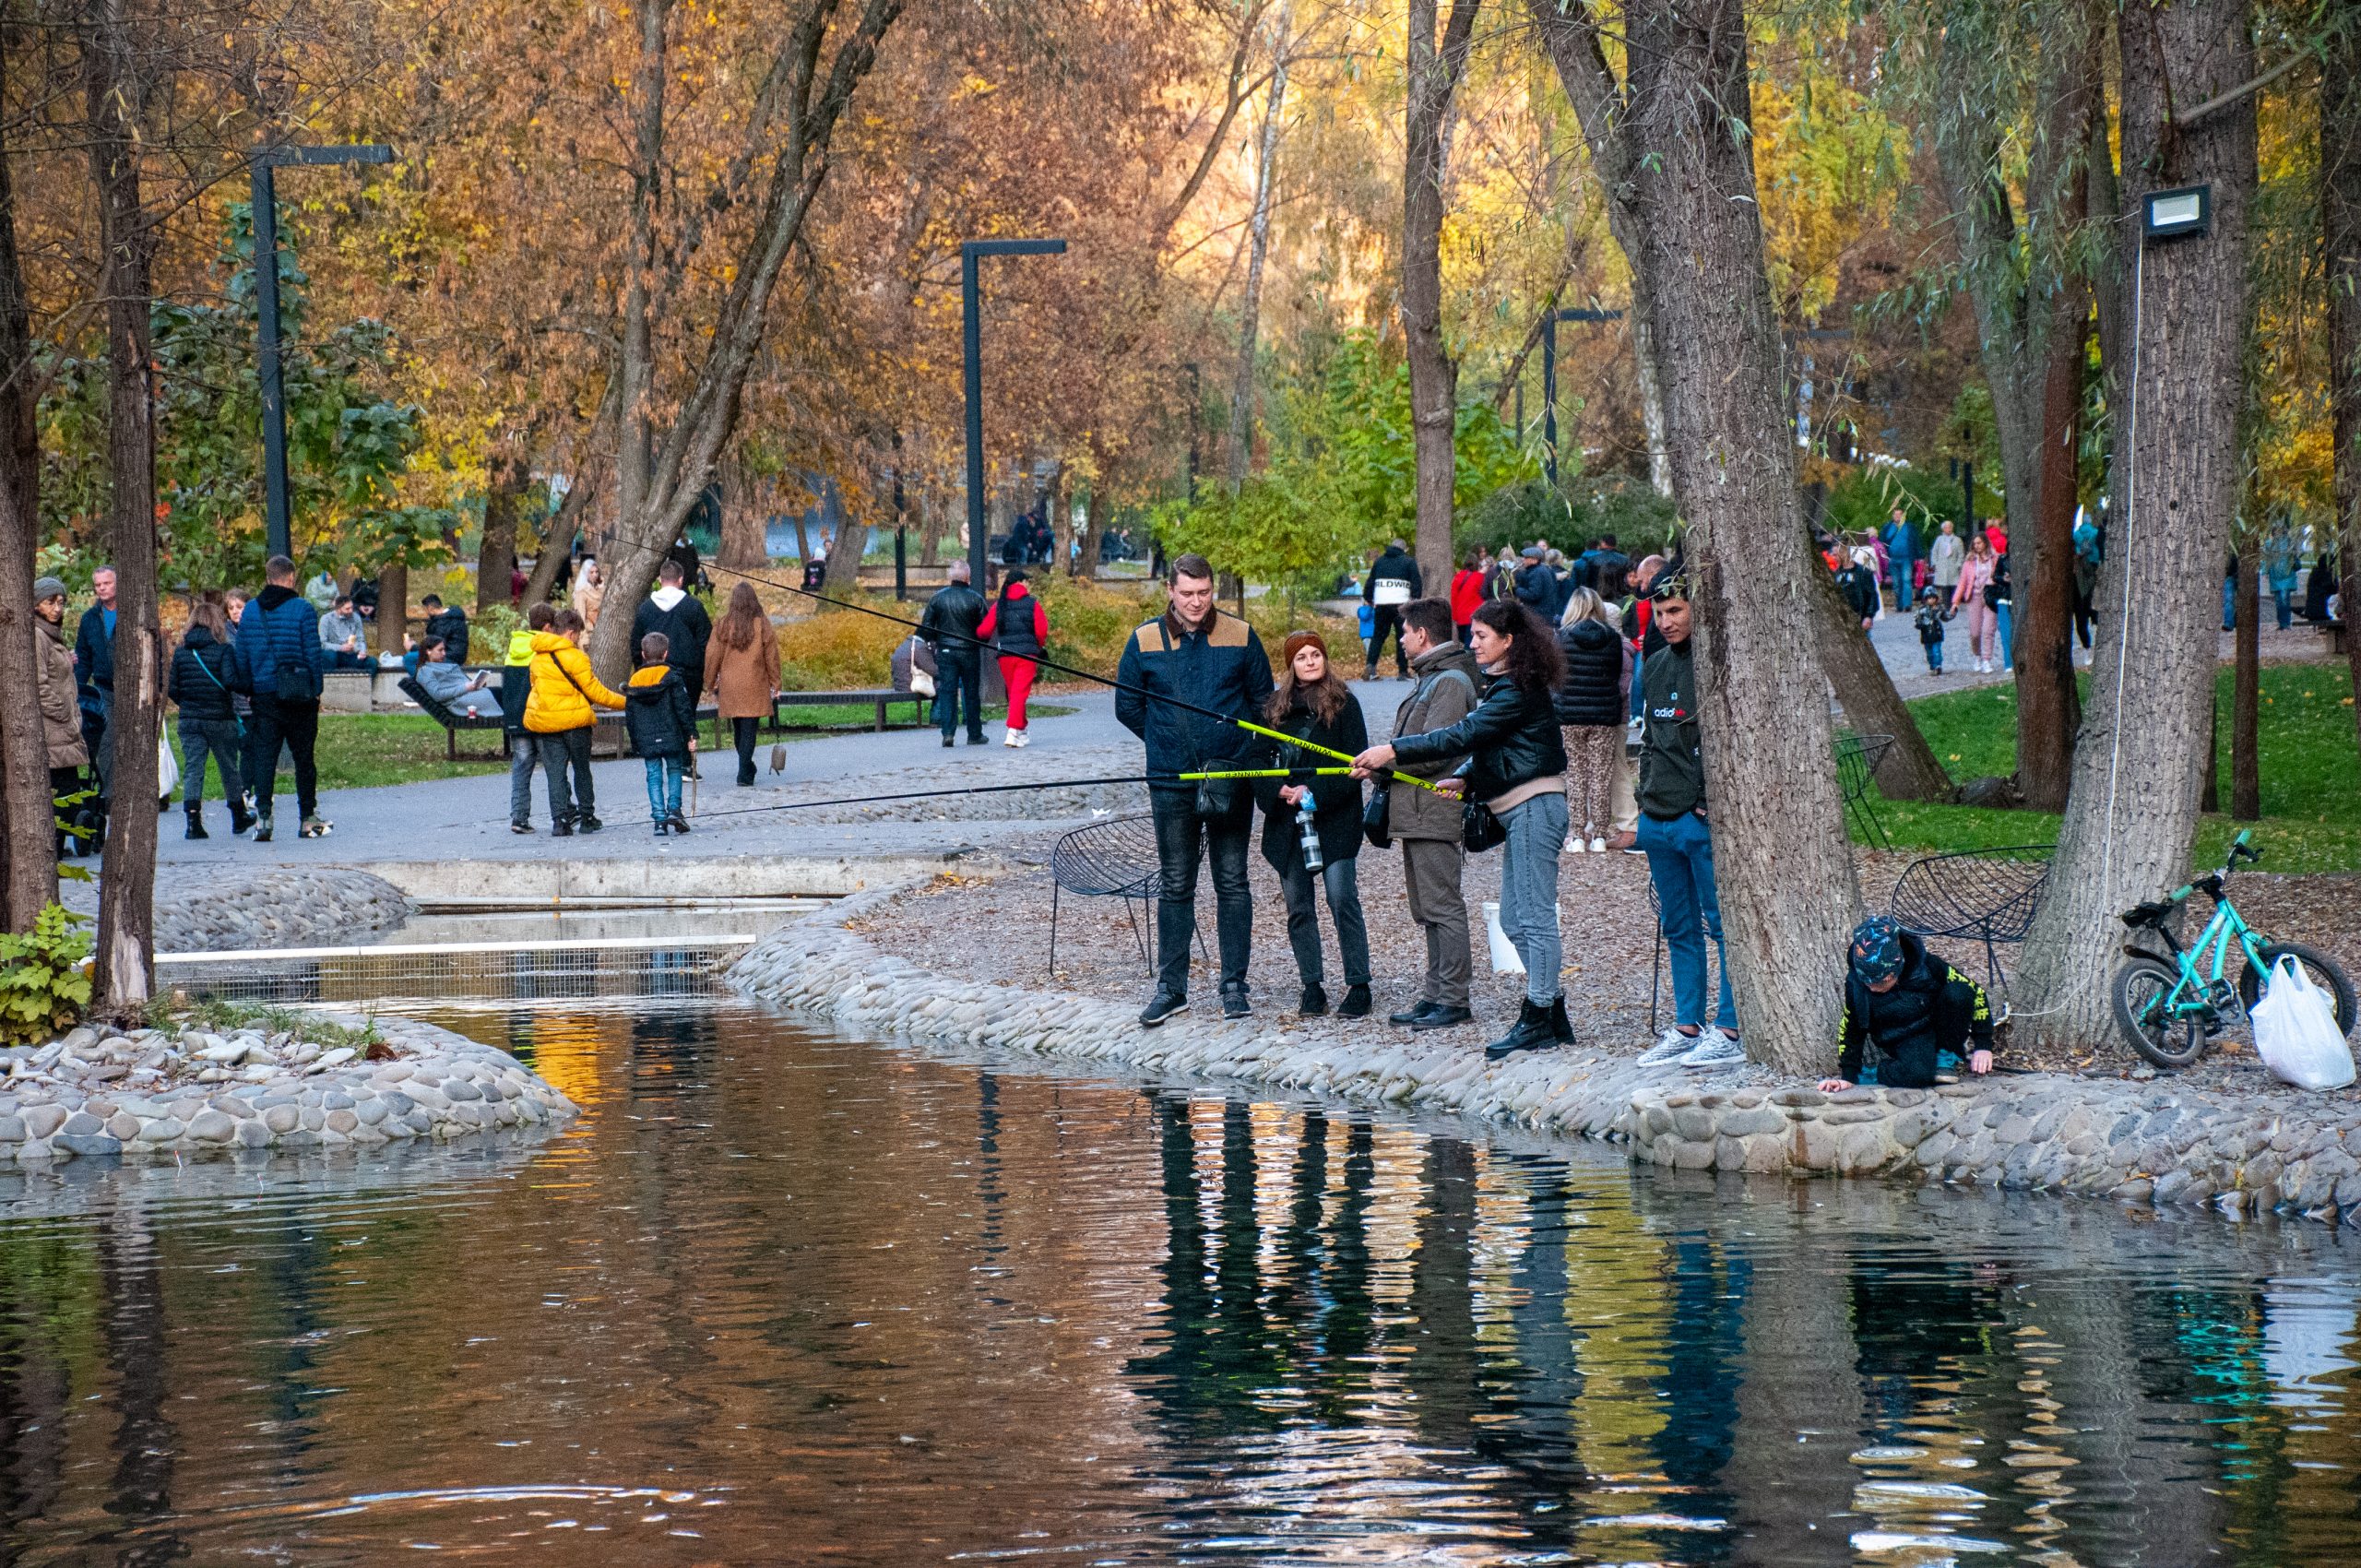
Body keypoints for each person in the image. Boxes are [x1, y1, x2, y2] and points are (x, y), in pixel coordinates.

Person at [1355, 599, 1571, 1059]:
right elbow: (1495, 742)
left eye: (1481, 637)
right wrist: (1469, 774)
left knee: (1532, 918)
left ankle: (1540, 1016)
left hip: (1535, 807)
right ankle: (1552, 1013)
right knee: (1514, 920)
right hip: (1517, 810)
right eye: (1472, 635)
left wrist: (1390, 751)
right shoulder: (1503, 686)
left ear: (1509, 641)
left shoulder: (1516, 688)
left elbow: (1460, 733)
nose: (1471, 643)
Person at [1116, 553, 1275, 1027]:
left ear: (1213, 591)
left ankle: (1234, 986)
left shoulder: (1241, 635)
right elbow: (1128, 705)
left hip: (1229, 777)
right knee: (1176, 881)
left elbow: (1264, 702)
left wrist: (1238, 750)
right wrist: (1166, 743)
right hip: (1170, 780)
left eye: (1204, 593)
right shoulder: (1145, 639)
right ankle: (1172, 988)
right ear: (1170, 590)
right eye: (1187, 594)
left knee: (1232, 880)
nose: (1195, 602)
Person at [1628, 575, 1744, 1071]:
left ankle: (1730, 1028)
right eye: (1659, 613)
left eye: (1675, 610)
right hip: (1658, 817)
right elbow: (1650, 737)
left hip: (1698, 819)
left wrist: (1704, 802)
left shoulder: (1714, 663)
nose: (1666, 621)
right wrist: (1644, 798)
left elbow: (1727, 740)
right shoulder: (1653, 664)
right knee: (1679, 926)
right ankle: (1686, 1027)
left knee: (1722, 925)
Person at [1254, 632, 1371, 1017]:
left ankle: (1358, 984)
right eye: (1301, 656)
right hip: (1288, 822)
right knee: (1298, 906)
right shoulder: (1273, 709)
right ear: (1290, 665)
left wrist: (1313, 790)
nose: (1309, 661)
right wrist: (1280, 790)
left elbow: (1354, 764)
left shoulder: (1344, 704)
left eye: (1316, 654)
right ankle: (1312, 985)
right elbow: (1258, 765)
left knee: (1342, 898)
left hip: (1334, 817)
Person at [1382, 599, 1480, 1029]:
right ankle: (1434, 993)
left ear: (1422, 634)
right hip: (1414, 812)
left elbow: (1437, 747)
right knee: (1425, 907)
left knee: (1443, 905)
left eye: (1405, 632)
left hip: (1436, 811)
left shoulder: (1451, 683)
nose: (1401, 639)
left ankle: (1454, 999)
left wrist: (1383, 760)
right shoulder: (1430, 679)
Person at [1818, 916, 1996, 1092]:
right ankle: (1872, 1074)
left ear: (1898, 967)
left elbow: (1976, 992)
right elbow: (1851, 1028)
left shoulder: (1928, 965)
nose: (1873, 988)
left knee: (1960, 992)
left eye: (1881, 983)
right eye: (1868, 983)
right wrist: (1849, 1077)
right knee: (1917, 1075)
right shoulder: (1856, 984)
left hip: (1939, 1022)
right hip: (1904, 1037)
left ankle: (1945, 1059)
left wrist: (1983, 1046)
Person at [237, 553, 330, 841]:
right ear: (291, 578)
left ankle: (263, 817)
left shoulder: (251, 611)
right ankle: (307, 818)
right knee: (304, 758)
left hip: (264, 695)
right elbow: (312, 652)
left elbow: (242, 654)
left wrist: (250, 690)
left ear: (267, 578)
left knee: (265, 756)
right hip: (299, 694)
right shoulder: (302, 609)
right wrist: (316, 690)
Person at [525, 605, 623, 835]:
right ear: (571, 633)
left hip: (547, 723)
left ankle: (560, 822)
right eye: (578, 635)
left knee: (555, 774)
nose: (578, 639)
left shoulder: (537, 659)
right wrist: (627, 702)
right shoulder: (577, 657)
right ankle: (587, 818)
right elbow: (596, 693)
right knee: (581, 769)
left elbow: (535, 688)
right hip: (575, 724)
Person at [168, 598, 252, 839]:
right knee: (229, 767)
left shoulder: (182, 652)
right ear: (216, 623)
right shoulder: (223, 649)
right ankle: (238, 816)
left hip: (190, 719)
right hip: (220, 717)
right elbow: (229, 681)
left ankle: (193, 823)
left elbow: (173, 688)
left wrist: (188, 703)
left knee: (194, 769)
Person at [1554, 587, 1627, 854]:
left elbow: (1555, 675)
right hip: (1604, 714)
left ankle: (1575, 835)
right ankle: (1599, 834)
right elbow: (1616, 673)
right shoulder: (1612, 638)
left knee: (1574, 774)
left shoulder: (1561, 637)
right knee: (1600, 774)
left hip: (1569, 714)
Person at [33, 577, 93, 856]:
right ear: (36, 604)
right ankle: (55, 846)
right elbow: (39, 683)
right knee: (61, 787)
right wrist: (62, 711)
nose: (57, 608)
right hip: (52, 727)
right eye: (50, 602)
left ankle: (60, 842)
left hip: (64, 726)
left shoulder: (51, 634)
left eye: (61, 602)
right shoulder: (37, 635)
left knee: (66, 785)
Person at [706, 581, 779, 788]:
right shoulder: (762, 624)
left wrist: (710, 682)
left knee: (739, 729)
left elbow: (713, 656)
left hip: (730, 686)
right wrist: (776, 683)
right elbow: (771, 656)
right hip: (755, 684)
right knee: (749, 730)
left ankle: (746, 767)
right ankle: (745, 770)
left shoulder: (722, 625)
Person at [627, 630, 698, 835]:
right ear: (666, 654)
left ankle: (659, 819)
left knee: (653, 776)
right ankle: (674, 809)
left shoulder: (635, 681)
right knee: (675, 770)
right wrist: (691, 734)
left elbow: (630, 717)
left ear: (643, 654)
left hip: (647, 737)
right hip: (672, 734)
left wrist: (635, 742)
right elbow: (683, 709)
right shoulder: (672, 677)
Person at [919, 560, 989, 747]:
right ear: (968, 577)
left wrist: (939, 638)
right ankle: (974, 733)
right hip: (969, 651)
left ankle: (948, 733)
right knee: (971, 692)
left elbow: (926, 628)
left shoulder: (937, 598)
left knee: (948, 691)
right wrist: (979, 642)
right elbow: (985, 629)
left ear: (950, 577)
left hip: (946, 651)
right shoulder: (976, 599)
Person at [979, 568, 1049, 747]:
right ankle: (1013, 731)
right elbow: (1041, 630)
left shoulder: (999, 605)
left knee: (1015, 694)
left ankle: (1022, 729)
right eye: (1027, 581)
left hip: (1005, 656)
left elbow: (984, 630)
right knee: (1019, 693)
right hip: (1027, 655)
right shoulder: (1033, 604)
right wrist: (1037, 646)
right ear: (1021, 582)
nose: (1028, 584)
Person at [632, 557, 714, 700]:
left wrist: (641, 668)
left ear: (660, 580)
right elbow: (706, 642)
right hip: (688, 677)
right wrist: (699, 670)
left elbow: (636, 644)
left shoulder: (645, 609)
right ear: (681, 580)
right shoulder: (694, 607)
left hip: (653, 676)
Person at [506, 602, 556, 833]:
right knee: (554, 767)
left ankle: (519, 817)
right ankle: (563, 812)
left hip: (516, 717)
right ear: (548, 627)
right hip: (540, 716)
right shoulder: (545, 650)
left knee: (521, 768)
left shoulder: (514, 647)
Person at [72, 564, 117, 785]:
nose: (102, 588)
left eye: (107, 583)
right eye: (98, 585)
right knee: (107, 739)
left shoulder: (132, 613)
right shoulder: (90, 618)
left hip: (136, 690)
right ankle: (109, 792)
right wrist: (76, 687)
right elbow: (83, 657)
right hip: (105, 688)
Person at [1362, 538, 1423, 679]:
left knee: (1378, 636)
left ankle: (1370, 666)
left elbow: (1370, 583)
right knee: (1402, 637)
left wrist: (1370, 599)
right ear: (1404, 549)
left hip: (1382, 605)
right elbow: (1416, 584)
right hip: (1402, 606)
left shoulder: (1379, 562)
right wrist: (1414, 602)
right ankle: (1402, 671)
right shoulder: (1409, 562)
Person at [415, 634, 503, 717]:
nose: (444, 653)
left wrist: (477, 683)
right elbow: (438, 695)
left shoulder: (442, 665)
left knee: (504, 693)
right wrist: (465, 687)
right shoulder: (425, 671)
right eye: (440, 650)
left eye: (444, 650)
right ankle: (512, 728)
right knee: (503, 695)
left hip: (468, 695)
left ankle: (512, 728)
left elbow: (460, 682)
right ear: (428, 651)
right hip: (459, 701)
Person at [1950, 532, 1999, 672]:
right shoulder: (1969, 562)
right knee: (1975, 632)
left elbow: (2000, 576)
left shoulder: (1995, 559)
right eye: (1975, 543)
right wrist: (1956, 602)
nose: (1977, 546)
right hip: (1974, 598)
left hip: (1990, 597)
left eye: (1979, 543)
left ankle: (1987, 660)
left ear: (1985, 543)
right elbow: (1962, 583)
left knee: (1988, 630)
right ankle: (1977, 655)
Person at [2071, 511, 2103, 653]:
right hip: (2093, 567)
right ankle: (2095, 623)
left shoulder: (2076, 534)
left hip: (2080, 571)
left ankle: (2086, 645)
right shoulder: (2096, 533)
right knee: (2093, 601)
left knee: (2081, 610)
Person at [2264, 519, 2299, 633]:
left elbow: (2267, 560)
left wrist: (2266, 571)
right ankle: (2284, 623)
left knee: (2281, 601)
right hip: (2283, 576)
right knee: (2282, 601)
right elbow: (2267, 559)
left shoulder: (2286, 543)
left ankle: (2284, 623)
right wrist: (2265, 571)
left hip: (2281, 576)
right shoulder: (2286, 542)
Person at [1448, 548, 1488, 648]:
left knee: (1465, 642)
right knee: (1472, 644)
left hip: (1461, 616)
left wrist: (1455, 617)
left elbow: (1453, 598)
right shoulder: (1480, 577)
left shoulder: (1457, 577)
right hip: (1475, 616)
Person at [1835, 547, 1881, 633]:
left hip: (1860, 617)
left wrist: (1868, 615)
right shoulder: (1835, 574)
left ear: (1844, 553)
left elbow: (1872, 595)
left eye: (1836, 555)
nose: (1834, 558)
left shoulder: (1863, 572)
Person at [319, 594, 370, 671]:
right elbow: (322, 644)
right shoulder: (326, 619)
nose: (351, 610)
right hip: (334, 653)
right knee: (330, 656)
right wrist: (341, 648)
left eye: (352, 607)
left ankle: (364, 682)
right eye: (347, 609)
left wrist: (362, 651)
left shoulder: (356, 617)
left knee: (372, 662)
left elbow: (361, 639)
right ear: (339, 609)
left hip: (351, 654)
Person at [1880, 508, 1917, 609]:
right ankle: (1899, 604)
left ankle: (1907, 604)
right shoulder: (1887, 527)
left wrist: (1919, 556)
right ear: (1893, 516)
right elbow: (1882, 542)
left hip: (1906, 558)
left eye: (1900, 514)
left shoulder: (1909, 527)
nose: (1898, 516)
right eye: (1896, 514)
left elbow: (1916, 542)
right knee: (1896, 583)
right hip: (1892, 559)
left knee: (1906, 580)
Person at [421, 594, 469, 664]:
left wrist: (413, 647)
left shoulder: (442, 623)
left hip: (448, 657)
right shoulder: (454, 616)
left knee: (410, 659)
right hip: (459, 656)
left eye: (425, 610)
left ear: (430, 608)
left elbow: (434, 645)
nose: (426, 613)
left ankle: (419, 675)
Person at [1987, 542, 2014, 671]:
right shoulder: (2002, 559)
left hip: (2017, 598)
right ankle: (2008, 662)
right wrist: (2004, 579)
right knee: (2006, 633)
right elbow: (1995, 577)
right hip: (2004, 598)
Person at [1913, 585, 1948, 674]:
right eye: (1929, 598)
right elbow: (1917, 620)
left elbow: (1946, 617)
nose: (1931, 600)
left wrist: (1953, 613)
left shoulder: (1939, 609)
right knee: (1929, 653)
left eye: (1933, 598)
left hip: (1936, 633)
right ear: (1926, 599)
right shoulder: (1922, 610)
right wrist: (1919, 624)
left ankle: (1938, 665)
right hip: (1926, 634)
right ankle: (1932, 666)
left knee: (1936, 651)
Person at [1928, 518, 1964, 598]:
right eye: (1946, 527)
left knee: (1954, 588)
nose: (1948, 529)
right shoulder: (1939, 539)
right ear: (1943, 529)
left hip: (1953, 568)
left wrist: (1958, 565)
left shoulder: (1957, 540)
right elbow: (1934, 552)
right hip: (1941, 567)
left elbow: (1961, 554)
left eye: (1950, 527)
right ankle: (1947, 606)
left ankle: (1953, 606)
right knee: (1944, 588)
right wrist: (1935, 564)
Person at [575, 559, 606, 629]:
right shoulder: (581, 591)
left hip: (601, 627)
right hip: (589, 629)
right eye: (591, 572)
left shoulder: (599, 588)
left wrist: (601, 589)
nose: (595, 575)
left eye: (596, 572)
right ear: (586, 573)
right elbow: (580, 616)